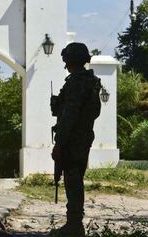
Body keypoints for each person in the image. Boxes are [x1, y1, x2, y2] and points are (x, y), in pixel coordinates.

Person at [50, 42, 102, 236]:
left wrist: (60, 143)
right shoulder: (91, 81)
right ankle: (74, 222)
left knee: (72, 179)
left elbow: (70, 114)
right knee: (75, 178)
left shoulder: (75, 82)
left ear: (70, 60)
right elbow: (92, 111)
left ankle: (74, 224)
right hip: (83, 135)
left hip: (73, 138)